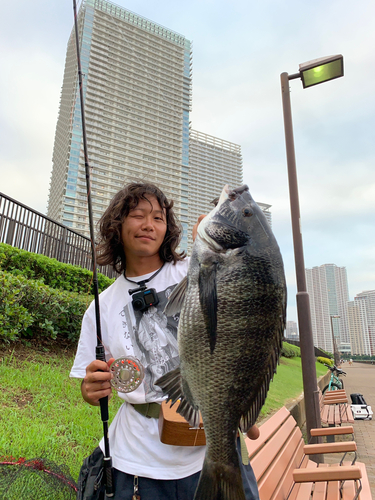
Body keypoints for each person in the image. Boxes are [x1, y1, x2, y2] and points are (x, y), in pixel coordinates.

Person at [70, 182, 260, 500]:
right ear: (117, 226)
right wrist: (91, 389)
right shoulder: (100, 307)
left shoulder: (197, 268)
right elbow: (89, 384)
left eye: (158, 218)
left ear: (168, 229)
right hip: (138, 464)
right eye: (138, 215)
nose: (149, 224)